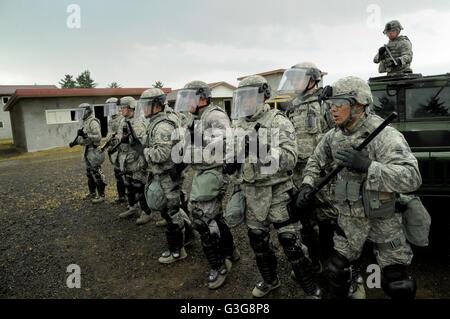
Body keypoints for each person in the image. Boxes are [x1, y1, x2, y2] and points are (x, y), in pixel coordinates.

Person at [297, 76, 421, 299]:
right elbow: (314, 162)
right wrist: (307, 185)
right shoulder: (332, 137)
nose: (332, 111)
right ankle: (355, 286)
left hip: (383, 221)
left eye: (339, 104)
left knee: (397, 283)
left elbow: (412, 178)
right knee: (336, 273)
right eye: (330, 105)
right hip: (348, 220)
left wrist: (369, 166)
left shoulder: (384, 135)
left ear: (359, 105)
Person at [226, 75, 321, 298]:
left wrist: (262, 149)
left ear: (263, 96)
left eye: (250, 96)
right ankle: (270, 280)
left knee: (290, 243)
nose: (246, 102)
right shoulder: (238, 124)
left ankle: (309, 287)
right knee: (257, 241)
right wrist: (231, 160)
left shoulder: (279, 121)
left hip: (277, 191)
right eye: (243, 97)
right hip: (251, 191)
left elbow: (290, 158)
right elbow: (230, 153)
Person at [175, 80, 239, 290]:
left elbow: (224, 146)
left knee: (202, 219)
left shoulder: (214, 116)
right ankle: (230, 251)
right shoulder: (196, 118)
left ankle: (219, 266)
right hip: (203, 172)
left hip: (214, 172)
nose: (185, 102)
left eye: (189, 97)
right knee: (215, 216)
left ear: (202, 97)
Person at [116, 96, 151, 225]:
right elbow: (119, 137)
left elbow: (143, 142)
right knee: (128, 184)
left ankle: (146, 212)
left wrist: (129, 139)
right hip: (126, 159)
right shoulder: (123, 121)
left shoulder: (138, 122)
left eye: (123, 107)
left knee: (139, 186)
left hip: (137, 159)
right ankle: (132, 207)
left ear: (131, 107)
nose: (121, 110)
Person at [70, 103, 106, 204]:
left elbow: (98, 137)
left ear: (88, 111)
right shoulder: (85, 122)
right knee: (89, 174)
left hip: (93, 151)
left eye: (82, 112)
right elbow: (82, 138)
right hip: (87, 150)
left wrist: (86, 135)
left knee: (96, 173)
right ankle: (92, 193)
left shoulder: (93, 122)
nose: (81, 114)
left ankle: (102, 195)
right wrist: (75, 142)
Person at [103, 97, 126, 204]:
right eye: (109, 107)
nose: (110, 110)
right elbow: (110, 134)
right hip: (115, 151)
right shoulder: (111, 120)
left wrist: (115, 136)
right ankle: (121, 196)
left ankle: (130, 200)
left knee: (126, 175)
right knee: (117, 174)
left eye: (112, 107)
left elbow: (122, 135)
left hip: (123, 151)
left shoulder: (123, 119)